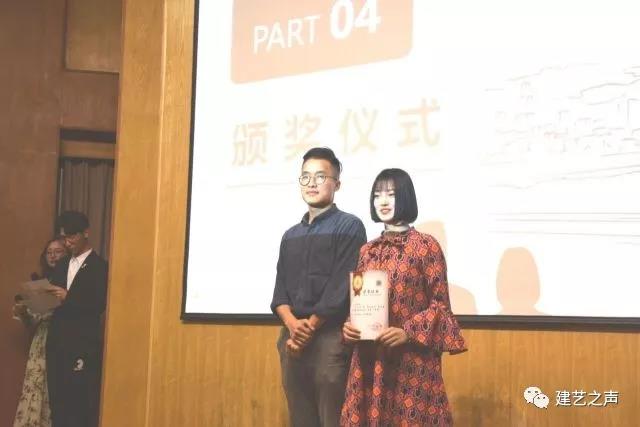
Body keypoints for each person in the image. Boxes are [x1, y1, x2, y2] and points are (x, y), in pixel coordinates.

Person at [341, 168, 467, 426]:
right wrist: (350, 327)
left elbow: (441, 307)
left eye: (391, 194)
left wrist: (407, 332)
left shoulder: (426, 245)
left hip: (413, 362)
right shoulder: (367, 251)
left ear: (406, 197)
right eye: (377, 195)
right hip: (372, 360)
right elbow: (360, 303)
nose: (383, 201)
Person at [270, 147, 367, 427]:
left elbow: (340, 287)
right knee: (300, 418)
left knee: (333, 417)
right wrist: (292, 325)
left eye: (321, 176)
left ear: (337, 184)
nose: (311, 183)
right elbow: (280, 291)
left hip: (329, 338)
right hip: (291, 338)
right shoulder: (290, 235)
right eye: (305, 177)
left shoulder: (350, 226)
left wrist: (307, 329)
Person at [46, 211, 108, 427]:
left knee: (79, 404)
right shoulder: (62, 264)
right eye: (64, 237)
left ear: (86, 233)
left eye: (72, 236)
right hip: (57, 343)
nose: (68, 242)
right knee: (57, 403)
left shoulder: (100, 267)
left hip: (82, 344)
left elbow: (98, 305)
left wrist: (68, 298)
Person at [13, 237, 68, 427]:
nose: (53, 256)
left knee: (55, 389)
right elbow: (32, 321)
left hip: (62, 337)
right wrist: (23, 310)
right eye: (49, 252)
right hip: (41, 339)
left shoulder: (71, 279)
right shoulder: (42, 281)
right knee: (36, 384)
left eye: (58, 252)